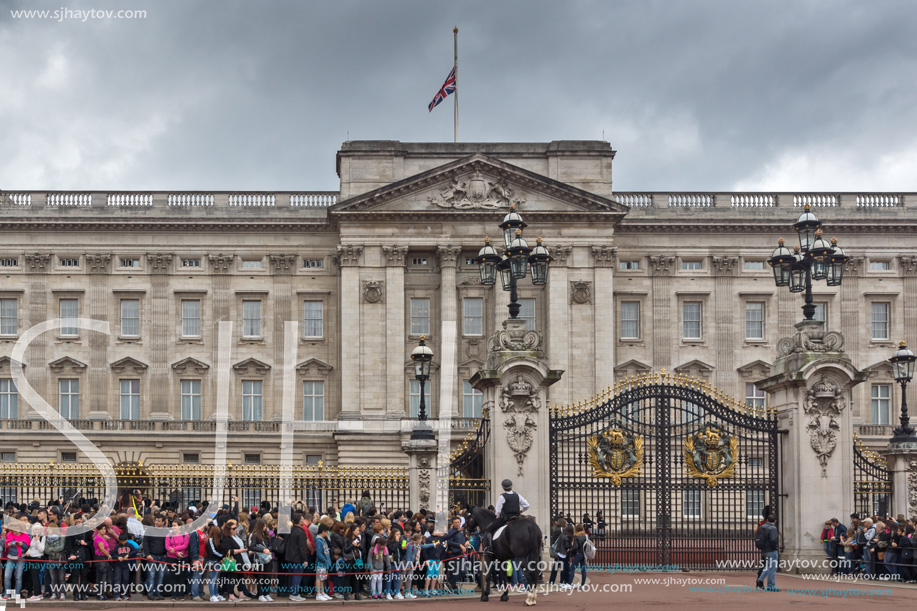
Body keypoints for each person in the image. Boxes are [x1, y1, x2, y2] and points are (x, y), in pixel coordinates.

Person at [757, 514, 779, 591]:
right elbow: (773, 540)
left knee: (769, 566)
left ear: (767, 520)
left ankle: (761, 579)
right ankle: (771, 586)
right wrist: (775, 547)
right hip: (771, 549)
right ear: (775, 521)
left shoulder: (762, 527)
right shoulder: (773, 528)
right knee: (772, 568)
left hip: (764, 549)